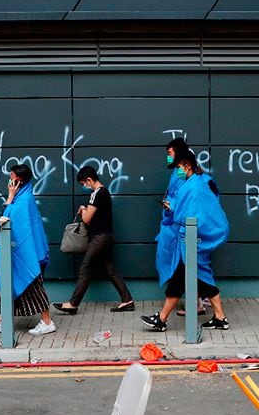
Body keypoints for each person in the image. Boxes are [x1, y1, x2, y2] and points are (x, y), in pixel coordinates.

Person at [142, 150, 230, 332]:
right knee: (201, 278)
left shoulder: (194, 186)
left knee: (184, 278)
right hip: (194, 240)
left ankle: (162, 319)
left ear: (187, 165)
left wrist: (172, 209)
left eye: (180, 167)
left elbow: (192, 213)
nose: (178, 171)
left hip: (192, 241)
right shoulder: (198, 182)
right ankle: (220, 317)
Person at [0, 164, 56, 336]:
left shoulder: (22, 200)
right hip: (23, 252)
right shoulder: (24, 196)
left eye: (11, 176)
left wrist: (9, 197)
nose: (9, 179)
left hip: (25, 255)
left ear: (18, 180)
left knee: (32, 286)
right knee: (13, 285)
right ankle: (2, 320)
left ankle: (47, 321)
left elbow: (5, 220)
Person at [52, 166, 134, 314]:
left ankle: (72, 304)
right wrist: (86, 209)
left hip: (100, 238)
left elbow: (87, 219)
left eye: (83, 183)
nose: (84, 186)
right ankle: (127, 300)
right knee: (110, 269)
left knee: (85, 269)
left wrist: (83, 210)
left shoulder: (97, 193)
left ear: (89, 180)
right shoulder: (104, 192)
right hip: (106, 236)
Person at [160, 137, 207, 317]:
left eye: (170, 154)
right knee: (192, 271)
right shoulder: (191, 178)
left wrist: (173, 207)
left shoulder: (192, 182)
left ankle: (166, 316)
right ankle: (211, 308)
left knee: (188, 270)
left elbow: (189, 204)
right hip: (185, 231)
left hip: (187, 232)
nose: (169, 159)